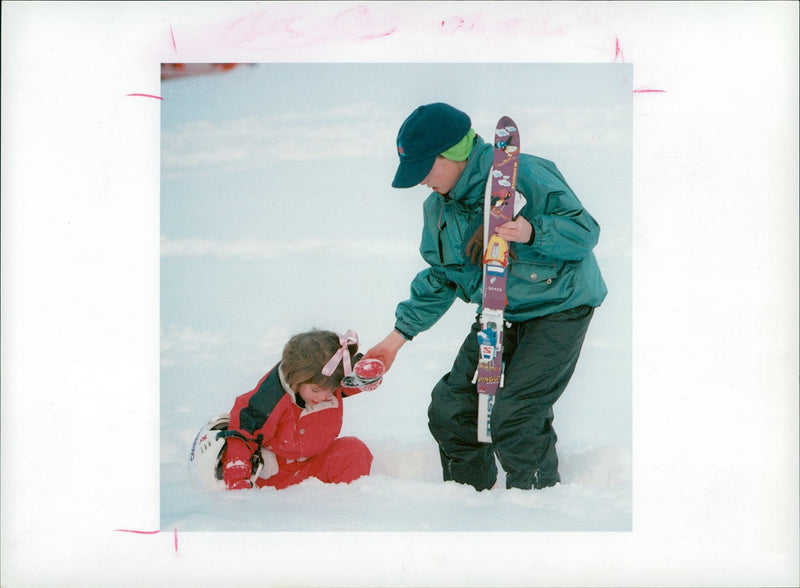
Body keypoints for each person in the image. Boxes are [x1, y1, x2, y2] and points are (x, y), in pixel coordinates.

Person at [364, 103, 608, 491]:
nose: (422, 181)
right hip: (499, 312)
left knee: (517, 415)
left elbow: (585, 232)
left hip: (560, 306)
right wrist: (395, 341)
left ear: (454, 153)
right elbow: (443, 278)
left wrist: (530, 231)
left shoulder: (525, 173)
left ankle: (536, 507)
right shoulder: (438, 212)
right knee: (451, 409)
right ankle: (469, 504)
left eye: (426, 168)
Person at [216, 329, 383, 490]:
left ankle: (342, 505)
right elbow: (244, 434)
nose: (322, 397)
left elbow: (347, 385)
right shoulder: (270, 398)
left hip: (314, 463)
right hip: (277, 477)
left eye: (330, 390)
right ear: (297, 379)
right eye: (316, 390)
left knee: (353, 451)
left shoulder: (328, 379)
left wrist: (365, 377)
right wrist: (237, 470)